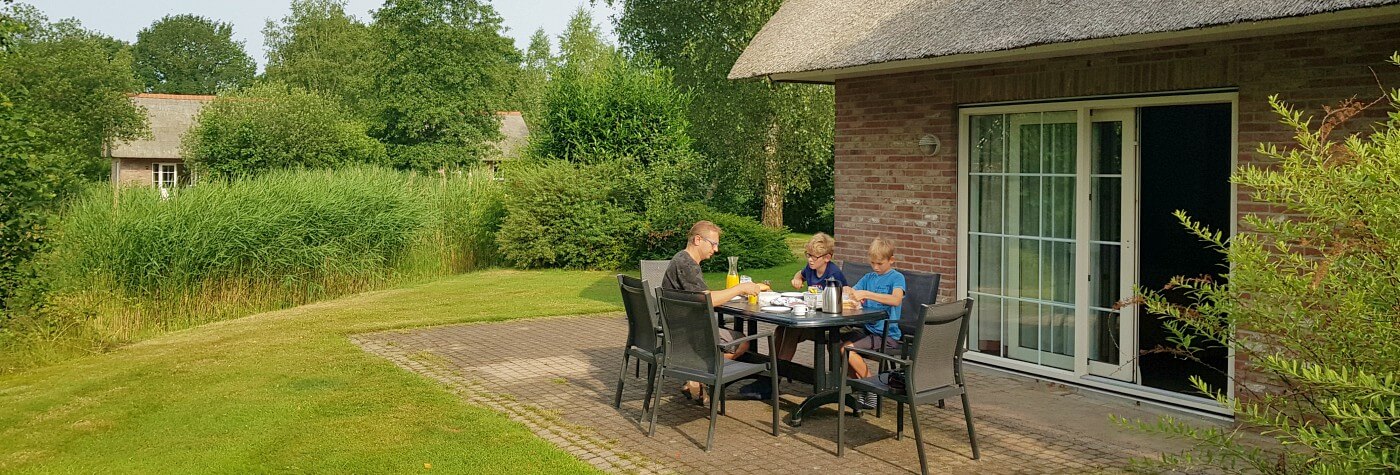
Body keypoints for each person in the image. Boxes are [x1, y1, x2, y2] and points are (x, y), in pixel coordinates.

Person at [660, 220, 767, 404]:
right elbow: (706, 299)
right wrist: (739, 288)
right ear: (697, 239)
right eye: (713, 244)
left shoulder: (682, 259)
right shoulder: (686, 264)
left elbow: (703, 296)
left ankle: (697, 376)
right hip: (686, 334)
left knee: (736, 337)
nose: (716, 250)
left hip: (677, 329)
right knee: (742, 342)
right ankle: (698, 375)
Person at [736, 233, 847, 400]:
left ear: (827, 258)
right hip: (814, 320)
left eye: (814, 257)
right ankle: (770, 377)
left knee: (791, 332)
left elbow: (843, 300)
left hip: (831, 325)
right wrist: (797, 279)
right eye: (808, 255)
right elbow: (800, 273)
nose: (810, 260)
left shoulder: (833, 275)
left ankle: (771, 381)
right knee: (781, 330)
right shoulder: (811, 269)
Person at [841, 237, 906, 409]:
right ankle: (859, 388)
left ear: (891, 260)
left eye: (880, 263)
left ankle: (871, 388)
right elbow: (853, 292)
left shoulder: (896, 278)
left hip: (887, 335)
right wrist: (848, 292)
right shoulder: (868, 277)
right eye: (872, 263)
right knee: (835, 344)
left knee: (846, 350)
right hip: (868, 330)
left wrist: (868, 295)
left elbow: (896, 300)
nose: (876, 267)